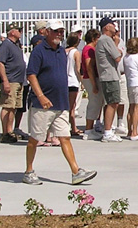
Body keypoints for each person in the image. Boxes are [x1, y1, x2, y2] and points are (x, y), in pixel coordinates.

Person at [21, 21, 96, 186]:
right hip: (42, 105)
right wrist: (40, 96)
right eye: (56, 31)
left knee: (65, 137)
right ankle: (29, 171)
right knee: (35, 139)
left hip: (60, 103)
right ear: (47, 32)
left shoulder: (62, 52)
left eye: (62, 31)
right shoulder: (39, 51)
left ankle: (76, 172)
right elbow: (31, 75)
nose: (59, 34)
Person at [94, 16, 124, 142]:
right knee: (113, 103)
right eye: (112, 24)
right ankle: (107, 132)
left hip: (108, 76)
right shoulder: (106, 40)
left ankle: (108, 129)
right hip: (110, 76)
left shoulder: (103, 40)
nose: (114, 27)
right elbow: (117, 57)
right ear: (106, 27)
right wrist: (116, 45)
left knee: (112, 103)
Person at [0, 23, 26, 143]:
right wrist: (5, 81)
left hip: (18, 80)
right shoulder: (5, 45)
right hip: (11, 80)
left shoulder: (16, 45)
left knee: (13, 107)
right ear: (12, 32)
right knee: (7, 106)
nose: (21, 32)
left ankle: (10, 130)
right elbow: (1, 63)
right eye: (19, 30)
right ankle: (5, 132)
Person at [80, 28, 103, 139]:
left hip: (91, 78)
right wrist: (94, 84)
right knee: (94, 103)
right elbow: (89, 67)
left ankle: (91, 128)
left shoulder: (91, 49)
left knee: (97, 103)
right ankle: (88, 130)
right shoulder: (88, 50)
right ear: (94, 38)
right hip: (90, 79)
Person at [64, 30, 83, 137]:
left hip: (64, 80)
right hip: (73, 81)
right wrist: (82, 81)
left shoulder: (64, 51)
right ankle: (72, 127)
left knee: (66, 105)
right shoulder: (76, 53)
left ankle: (71, 127)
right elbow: (78, 69)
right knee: (71, 106)